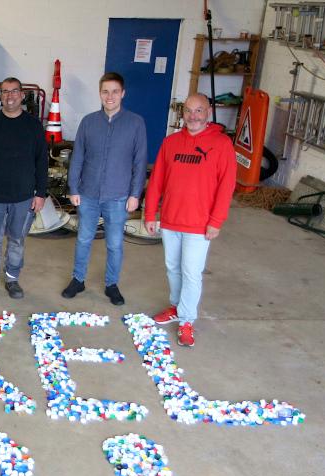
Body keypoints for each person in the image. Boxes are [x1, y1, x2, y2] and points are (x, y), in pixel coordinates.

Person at [144, 94, 237, 347]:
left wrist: (216, 220)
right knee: (172, 268)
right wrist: (150, 213)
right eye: (188, 111)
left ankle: (186, 320)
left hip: (199, 223)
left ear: (208, 112)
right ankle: (176, 306)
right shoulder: (171, 142)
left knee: (191, 272)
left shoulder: (221, 144)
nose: (193, 116)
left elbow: (226, 185)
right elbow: (157, 181)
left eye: (199, 111)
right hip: (171, 220)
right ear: (182, 113)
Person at [62, 72, 147, 305]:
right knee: (83, 239)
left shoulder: (135, 123)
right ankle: (78, 280)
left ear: (123, 93)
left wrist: (134, 194)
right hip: (88, 194)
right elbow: (77, 156)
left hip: (119, 196)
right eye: (105, 91)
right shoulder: (88, 122)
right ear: (100, 93)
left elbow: (140, 161)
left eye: (115, 91)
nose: (110, 96)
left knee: (115, 243)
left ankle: (112, 284)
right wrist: (74, 188)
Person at [0, 77, 48, 299]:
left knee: (17, 240)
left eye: (14, 91)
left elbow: (42, 161)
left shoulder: (33, 126)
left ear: (22, 95)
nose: (10, 95)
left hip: (23, 197)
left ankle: (12, 279)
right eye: (5, 92)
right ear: (0, 96)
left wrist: (40, 193)